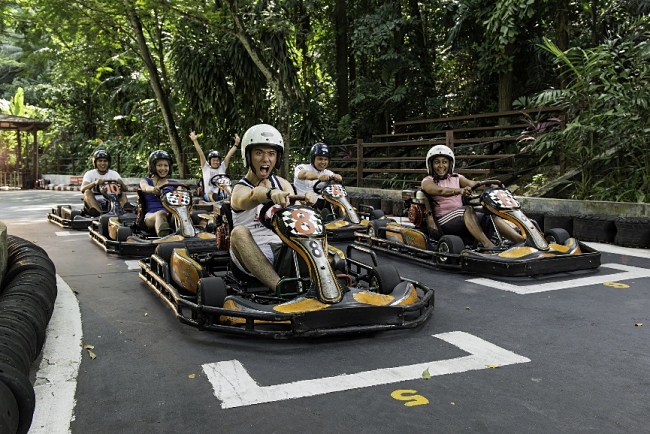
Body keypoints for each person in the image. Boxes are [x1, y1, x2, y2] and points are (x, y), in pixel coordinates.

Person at [229, 124, 318, 291]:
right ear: (248, 156)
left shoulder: (283, 184)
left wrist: (306, 202)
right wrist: (270, 193)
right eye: (259, 152)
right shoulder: (239, 189)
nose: (266, 159)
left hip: (282, 249)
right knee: (238, 233)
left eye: (271, 153)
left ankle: (323, 282)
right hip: (250, 254)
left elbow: (296, 213)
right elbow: (252, 196)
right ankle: (279, 287)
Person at [421, 145, 524, 248]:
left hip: (462, 215)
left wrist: (492, 186)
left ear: (449, 164)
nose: (441, 165)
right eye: (437, 162)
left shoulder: (456, 177)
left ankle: (521, 241)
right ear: (431, 165)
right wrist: (460, 191)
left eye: (444, 162)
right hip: (443, 220)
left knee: (490, 216)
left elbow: (473, 183)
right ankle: (488, 245)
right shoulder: (427, 181)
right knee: (468, 209)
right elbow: (441, 191)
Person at [190, 131, 239, 202]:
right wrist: (195, 140)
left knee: (229, 188)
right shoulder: (206, 168)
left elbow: (229, 155)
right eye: (214, 160)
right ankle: (218, 205)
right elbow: (201, 154)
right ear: (210, 161)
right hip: (209, 196)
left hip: (223, 193)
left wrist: (236, 144)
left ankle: (232, 202)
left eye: (217, 160)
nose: (216, 162)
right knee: (210, 193)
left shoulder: (222, 167)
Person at [293, 142, 343, 210]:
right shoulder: (302, 167)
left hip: (323, 203)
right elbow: (304, 174)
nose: (323, 162)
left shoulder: (328, 172)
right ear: (313, 159)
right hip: (304, 201)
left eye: (325, 159)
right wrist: (318, 176)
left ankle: (347, 216)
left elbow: (337, 179)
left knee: (340, 201)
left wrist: (337, 178)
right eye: (320, 159)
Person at [139, 150, 177, 237]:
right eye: (159, 165)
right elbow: (145, 187)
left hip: (171, 215)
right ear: (153, 167)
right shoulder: (146, 180)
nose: (163, 168)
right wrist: (153, 189)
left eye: (166, 165)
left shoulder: (174, 183)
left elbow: (181, 190)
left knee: (184, 214)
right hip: (151, 216)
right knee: (161, 213)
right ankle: (164, 238)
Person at [80, 150, 130, 217]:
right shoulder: (90, 174)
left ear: (108, 163)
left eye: (105, 161)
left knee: (123, 193)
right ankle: (98, 213)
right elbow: (82, 189)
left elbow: (126, 189)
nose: (103, 163)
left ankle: (123, 212)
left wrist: (121, 183)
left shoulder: (114, 174)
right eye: (100, 161)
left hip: (112, 199)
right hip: (95, 199)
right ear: (95, 163)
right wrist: (95, 183)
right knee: (87, 192)